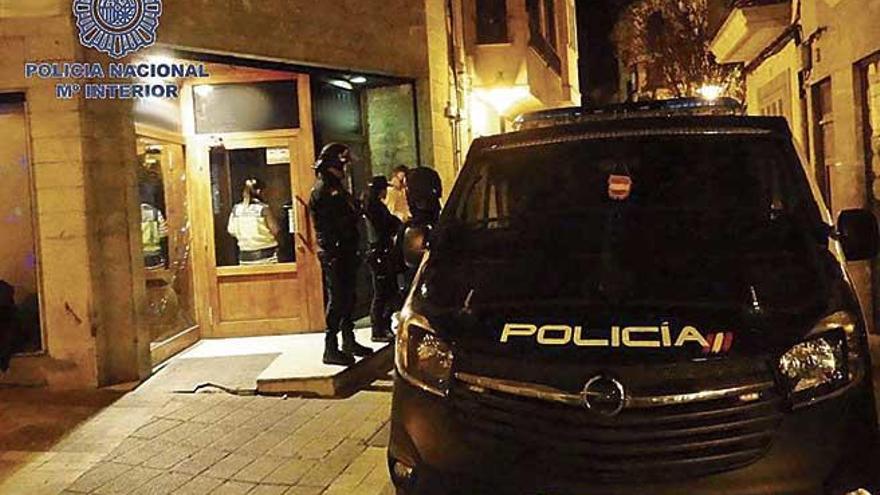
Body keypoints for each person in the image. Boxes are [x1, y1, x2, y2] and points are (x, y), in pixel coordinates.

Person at [309, 143, 374, 366]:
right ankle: (331, 346)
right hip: (335, 252)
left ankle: (348, 340)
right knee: (337, 299)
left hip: (345, 250)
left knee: (348, 297)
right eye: (343, 164)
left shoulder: (336, 187)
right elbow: (335, 222)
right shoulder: (324, 189)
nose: (345, 169)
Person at [363, 176, 402, 343]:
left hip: (380, 252)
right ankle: (378, 329)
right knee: (382, 293)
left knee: (386, 291)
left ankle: (382, 327)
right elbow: (389, 224)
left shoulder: (372, 206)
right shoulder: (374, 207)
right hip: (379, 253)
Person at [227, 178, 281, 265]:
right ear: (259, 191)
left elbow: (231, 230)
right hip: (267, 255)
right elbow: (275, 229)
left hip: (245, 255)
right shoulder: (263, 209)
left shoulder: (236, 209)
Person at [139, 183, 169, 270]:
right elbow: (163, 234)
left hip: (138, 257)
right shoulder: (156, 212)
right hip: (155, 257)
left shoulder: (133, 214)